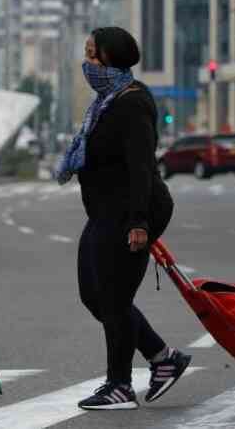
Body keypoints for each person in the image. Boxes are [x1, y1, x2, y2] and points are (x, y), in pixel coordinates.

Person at [56, 26, 191, 410]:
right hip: (105, 211)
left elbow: (141, 169)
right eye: (86, 54)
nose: (87, 63)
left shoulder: (131, 103)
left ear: (112, 58)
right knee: (93, 295)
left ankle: (120, 385)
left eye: (93, 55)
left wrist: (138, 222)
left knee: (113, 298)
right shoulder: (107, 100)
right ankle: (164, 358)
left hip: (132, 210)